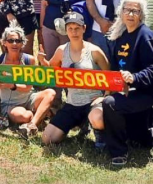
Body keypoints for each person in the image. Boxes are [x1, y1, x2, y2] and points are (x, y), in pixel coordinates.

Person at [101, 0, 153, 166]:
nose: (130, 14)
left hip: (146, 92)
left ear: (141, 15)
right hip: (127, 91)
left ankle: (118, 152)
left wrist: (134, 78)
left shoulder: (146, 37)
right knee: (140, 139)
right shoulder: (120, 36)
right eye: (127, 10)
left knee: (110, 103)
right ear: (120, 13)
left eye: (135, 11)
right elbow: (115, 68)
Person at [41, 12, 111, 146]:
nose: (74, 32)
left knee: (98, 118)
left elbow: (110, 77)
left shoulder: (95, 51)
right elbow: (52, 69)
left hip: (93, 101)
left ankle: (99, 131)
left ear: (84, 28)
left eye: (77, 28)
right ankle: (80, 124)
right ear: (66, 30)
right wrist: (43, 62)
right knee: (47, 139)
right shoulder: (61, 50)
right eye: (70, 29)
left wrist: (105, 96)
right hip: (73, 102)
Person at [0, 24, 57, 136]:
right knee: (25, 116)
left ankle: (32, 125)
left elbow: (28, 88)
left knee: (51, 93)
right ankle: (40, 115)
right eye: (10, 40)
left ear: (22, 43)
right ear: (4, 43)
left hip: (29, 97)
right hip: (10, 103)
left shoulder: (28, 60)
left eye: (18, 40)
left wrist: (12, 85)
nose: (14, 44)